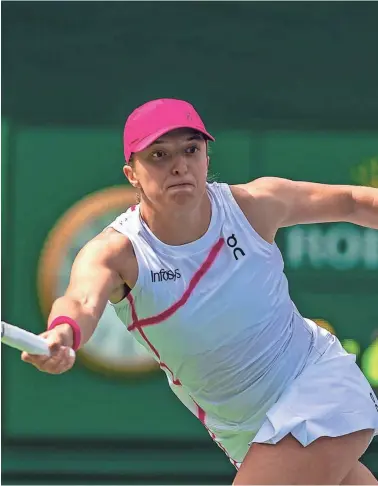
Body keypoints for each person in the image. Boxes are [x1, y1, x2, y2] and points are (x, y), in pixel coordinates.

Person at [22, 98, 378, 484]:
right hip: (244, 430)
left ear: (207, 157)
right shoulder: (116, 253)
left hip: (316, 386)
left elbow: (353, 202)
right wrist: (63, 332)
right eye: (158, 155)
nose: (179, 165)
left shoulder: (254, 206)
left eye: (191, 149)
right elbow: (80, 301)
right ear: (132, 174)